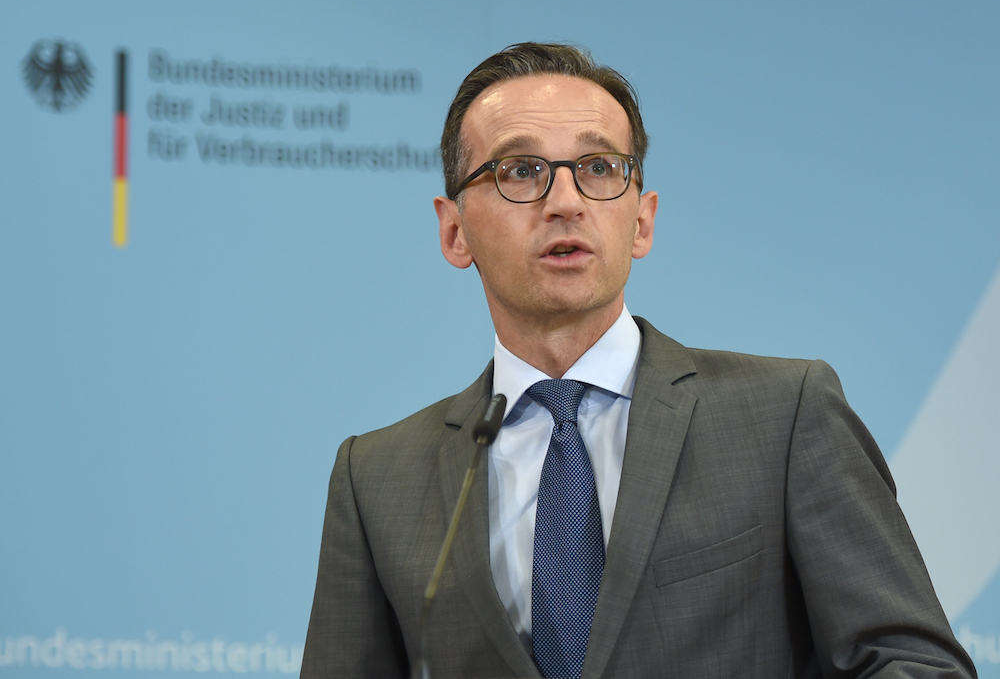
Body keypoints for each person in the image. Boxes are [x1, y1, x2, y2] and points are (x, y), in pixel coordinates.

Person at [300, 42, 976, 679]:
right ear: (454, 230)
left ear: (642, 220)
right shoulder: (377, 479)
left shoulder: (785, 415)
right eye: (520, 171)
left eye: (598, 169)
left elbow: (911, 661)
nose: (564, 202)